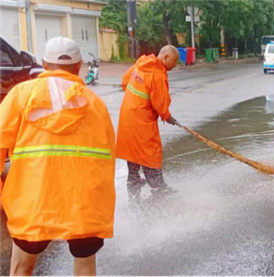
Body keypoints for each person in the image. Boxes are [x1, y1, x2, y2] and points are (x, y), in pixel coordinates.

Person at [0, 37, 116, 276]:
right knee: (85, 267)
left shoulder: (21, 95)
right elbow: (107, 159)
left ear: (44, 63)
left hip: (34, 202)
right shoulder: (95, 104)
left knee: (22, 268)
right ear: (79, 66)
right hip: (83, 205)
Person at [116, 45, 180, 201]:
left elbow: (125, 81)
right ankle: (158, 186)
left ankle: (133, 179)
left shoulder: (142, 62)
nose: (175, 65)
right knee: (150, 149)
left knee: (132, 148)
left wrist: (136, 100)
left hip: (127, 114)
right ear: (165, 57)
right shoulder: (157, 75)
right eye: (174, 61)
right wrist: (168, 117)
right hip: (142, 119)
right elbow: (160, 104)